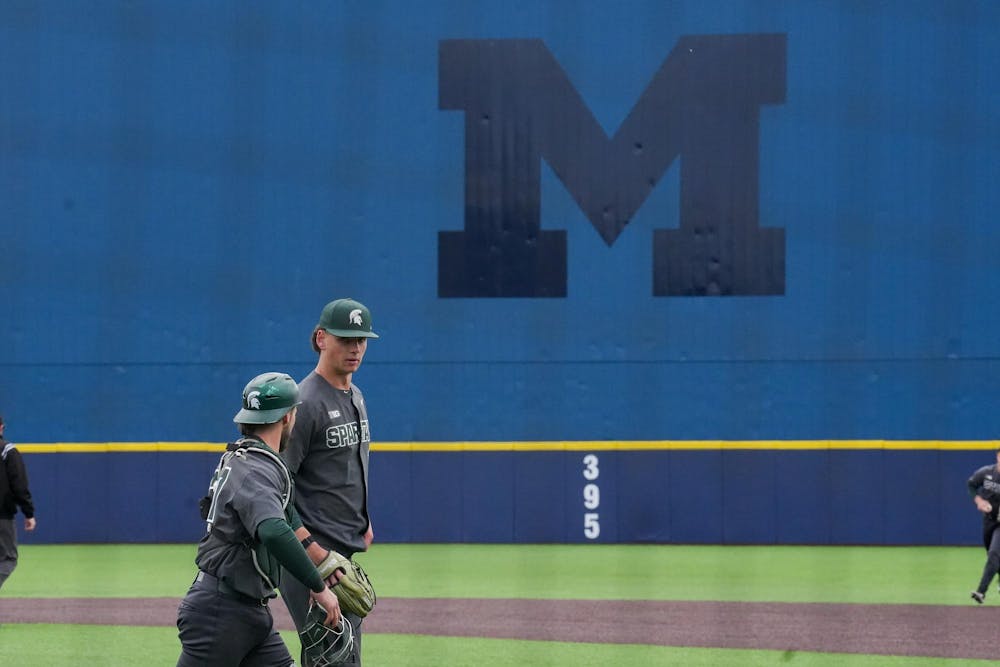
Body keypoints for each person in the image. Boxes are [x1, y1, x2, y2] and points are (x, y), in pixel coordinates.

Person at [176, 372, 346, 666]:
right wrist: (318, 588)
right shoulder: (256, 468)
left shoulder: (251, 459)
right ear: (287, 418)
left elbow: (285, 513)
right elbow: (274, 530)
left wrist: (318, 555)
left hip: (250, 613)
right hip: (220, 614)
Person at [280, 298, 379, 665]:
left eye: (362, 340)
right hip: (313, 554)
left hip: (343, 551)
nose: (355, 348)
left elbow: (349, 467)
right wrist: (311, 552)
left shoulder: (356, 395)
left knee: (339, 657)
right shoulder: (304, 402)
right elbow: (278, 487)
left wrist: (363, 518)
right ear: (321, 338)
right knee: (332, 657)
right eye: (345, 338)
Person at [0, 415, 36, 589]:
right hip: (2, 516)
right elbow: (19, 484)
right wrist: (28, 512)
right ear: (1, 427)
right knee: (8, 558)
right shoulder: (7, 450)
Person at [967, 448, 1000, 603]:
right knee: (992, 555)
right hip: (988, 520)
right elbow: (971, 484)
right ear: (998, 456)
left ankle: (981, 592)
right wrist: (979, 501)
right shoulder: (986, 473)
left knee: (994, 553)